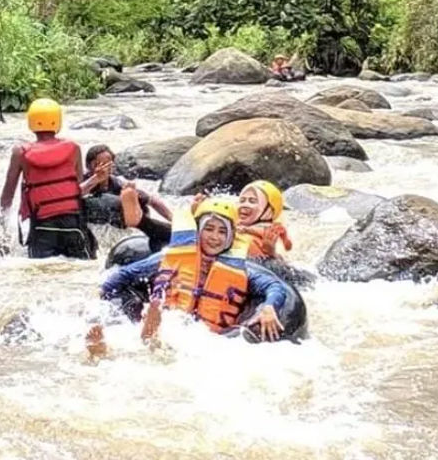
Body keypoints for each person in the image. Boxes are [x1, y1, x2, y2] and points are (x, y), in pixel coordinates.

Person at [94, 198, 289, 350]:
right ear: (198, 231)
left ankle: (149, 341)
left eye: (222, 232)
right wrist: (105, 298)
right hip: (173, 321)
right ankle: (111, 344)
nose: (214, 237)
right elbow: (124, 275)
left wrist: (269, 306)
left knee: (163, 342)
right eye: (209, 229)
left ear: (230, 237)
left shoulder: (242, 269)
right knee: (154, 328)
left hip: (207, 338)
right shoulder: (172, 257)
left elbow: (274, 286)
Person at [0, 98, 101, 260]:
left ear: (31, 122)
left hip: (42, 227)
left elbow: (8, 194)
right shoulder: (73, 149)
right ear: (57, 122)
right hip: (73, 225)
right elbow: (78, 187)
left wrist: (1, 221)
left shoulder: (20, 153)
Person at [83, 144, 173, 252]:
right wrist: (95, 179)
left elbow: (152, 201)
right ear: (89, 166)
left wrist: (172, 218)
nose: (104, 168)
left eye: (108, 164)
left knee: (139, 202)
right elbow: (74, 194)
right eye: (99, 164)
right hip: (92, 219)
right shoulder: (84, 180)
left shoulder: (117, 183)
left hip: (124, 221)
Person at [235, 180, 292, 260]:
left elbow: (264, 231)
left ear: (269, 211)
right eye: (242, 200)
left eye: (252, 201)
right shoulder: (233, 223)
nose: (244, 205)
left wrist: (271, 253)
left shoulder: (270, 228)